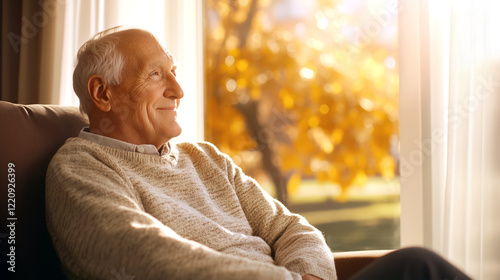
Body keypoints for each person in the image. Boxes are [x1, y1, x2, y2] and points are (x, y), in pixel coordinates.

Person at [45, 27, 471, 280]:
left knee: (417, 267)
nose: (178, 90)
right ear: (103, 93)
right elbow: (139, 255)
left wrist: (308, 275)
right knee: (420, 268)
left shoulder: (204, 157)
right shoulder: (81, 168)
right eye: (156, 75)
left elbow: (290, 229)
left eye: (174, 72)